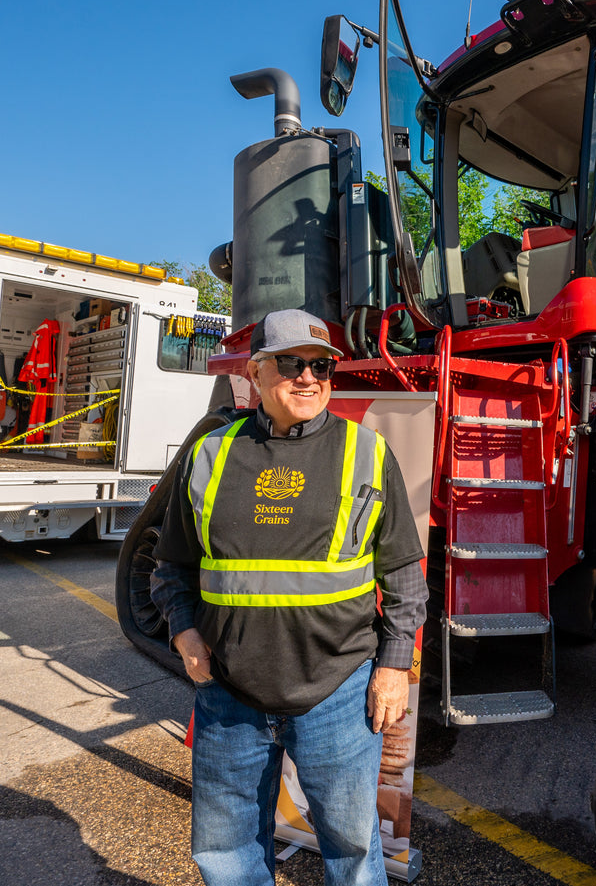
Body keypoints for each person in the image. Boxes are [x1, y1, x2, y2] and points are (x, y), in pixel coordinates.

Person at [151, 308, 426, 886]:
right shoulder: (211, 456)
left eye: (322, 366)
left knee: (353, 853)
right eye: (291, 364)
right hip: (227, 693)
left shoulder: (367, 453)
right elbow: (171, 564)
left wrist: (395, 665)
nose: (309, 378)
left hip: (339, 693)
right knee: (226, 853)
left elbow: (402, 571)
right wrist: (184, 632)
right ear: (254, 373)